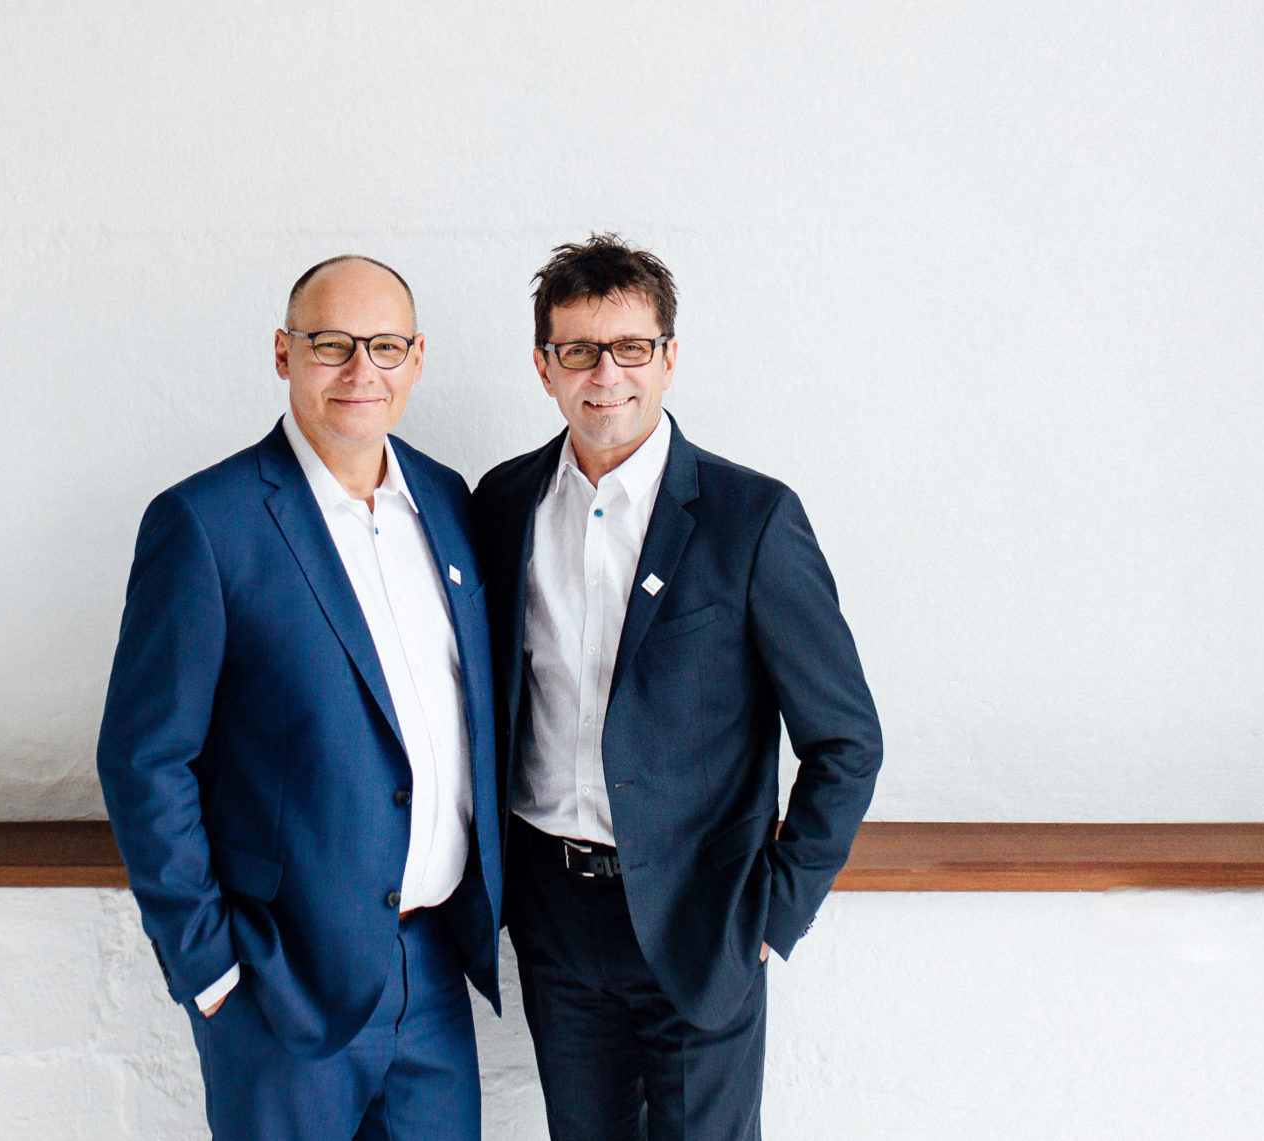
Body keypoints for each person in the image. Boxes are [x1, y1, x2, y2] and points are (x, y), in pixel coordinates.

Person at [471, 234, 882, 1140]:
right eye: (579, 350)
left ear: (669, 357)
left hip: (703, 919)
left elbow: (847, 741)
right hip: (554, 916)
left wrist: (777, 911)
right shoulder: (502, 505)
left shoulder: (752, 518)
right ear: (544, 365)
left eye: (631, 347)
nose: (606, 374)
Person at [96, 255, 503, 1139]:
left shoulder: (446, 500)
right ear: (284, 353)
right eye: (330, 344)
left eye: (385, 346)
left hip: (433, 971)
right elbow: (144, 758)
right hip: (280, 984)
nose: (362, 370)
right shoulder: (206, 522)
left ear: (417, 358)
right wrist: (210, 969)